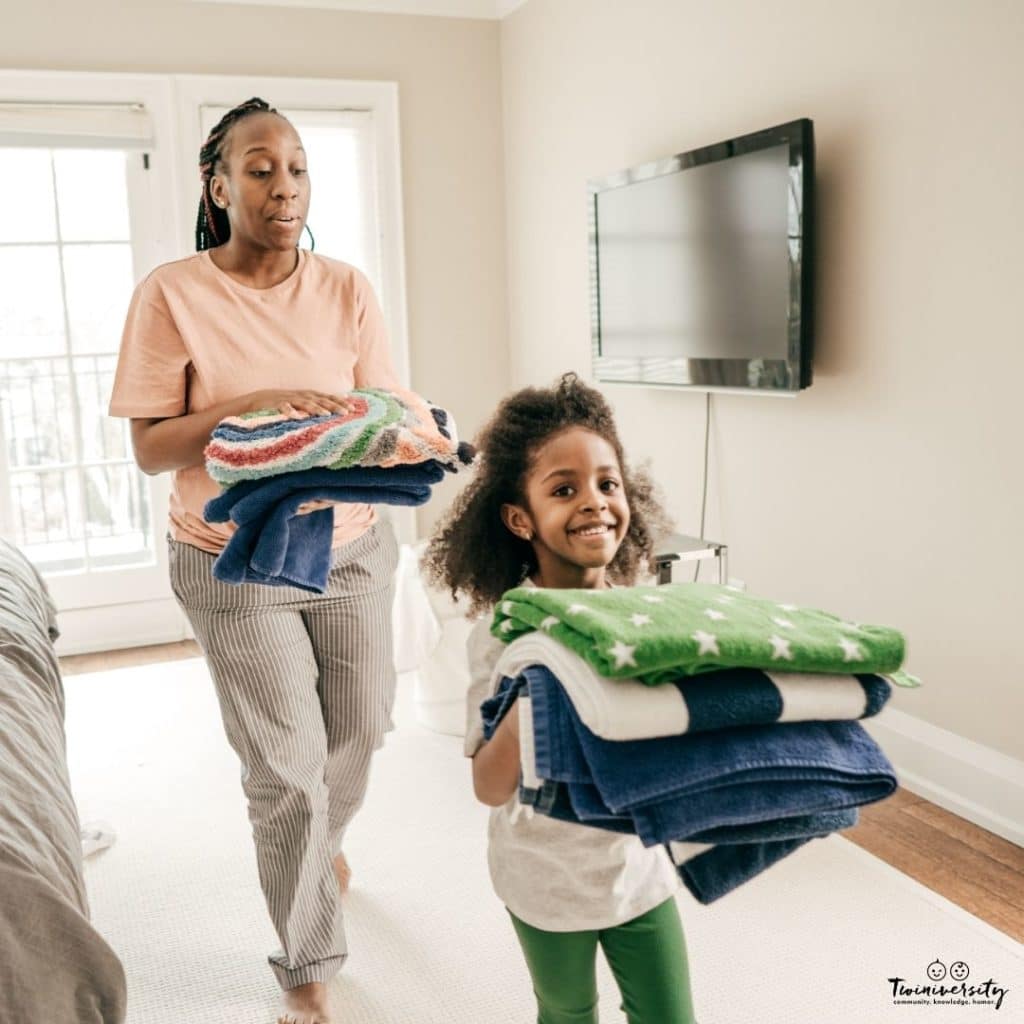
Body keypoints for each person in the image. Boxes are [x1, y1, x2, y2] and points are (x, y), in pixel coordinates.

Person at [108, 97, 401, 1024]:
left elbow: (378, 410)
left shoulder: (347, 287)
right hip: (232, 555)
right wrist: (260, 404)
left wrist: (406, 432)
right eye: (263, 166)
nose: (285, 185)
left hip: (352, 542)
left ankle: (322, 845)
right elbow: (154, 448)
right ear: (219, 183)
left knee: (360, 730)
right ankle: (308, 966)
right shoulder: (173, 293)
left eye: (299, 167)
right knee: (285, 769)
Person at [422, 373, 698, 1024]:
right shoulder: (503, 637)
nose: (595, 502)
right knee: (567, 1012)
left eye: (608, 483)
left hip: (638, 872)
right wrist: (528, 707)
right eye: (564, 489)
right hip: (543, 876)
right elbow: (489, 788)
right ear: (520, 519)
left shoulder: (639, 621)